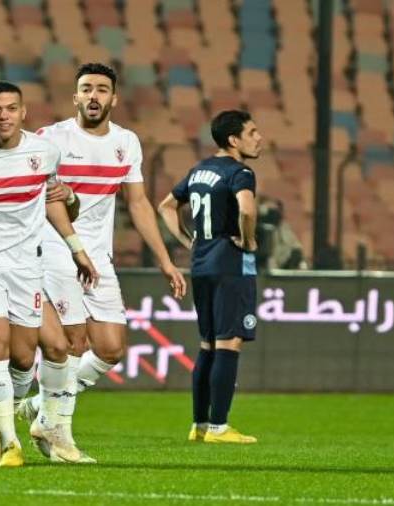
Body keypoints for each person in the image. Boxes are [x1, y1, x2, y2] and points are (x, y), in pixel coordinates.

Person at [16, 64, 186, 460]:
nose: (94, 95)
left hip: (99, 255)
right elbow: (34, 196)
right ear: (75, 97)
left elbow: (138, 203)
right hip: (56, 248)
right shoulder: (51, 138)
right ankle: (59, 434)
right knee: (73, 340)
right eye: (86, 88)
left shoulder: (126, 142)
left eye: (102, 89)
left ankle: (44, 404)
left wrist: (165, 260)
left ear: (114, 98)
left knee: (111, 348)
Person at [0, 80, 98, 467]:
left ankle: (10, 417)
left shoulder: (44, 153)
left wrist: (77, 249)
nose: (3, 116)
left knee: (24, 359)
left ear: (23, 113)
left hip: (26, 265)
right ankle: (9, 441)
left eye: (11, 108)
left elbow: (52, 201)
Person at [158, 109, 261, 444]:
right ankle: (219, 427)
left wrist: (189, 240)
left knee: (207, 344)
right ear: (234, 140)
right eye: (252, 132)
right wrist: (247, 240)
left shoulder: (199, 170)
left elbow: (166, 206)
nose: (258, 138)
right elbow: (247, 209)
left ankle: (200, 425)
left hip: (201, 264)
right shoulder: (240, 172)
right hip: (231, 264)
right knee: (229, 342)